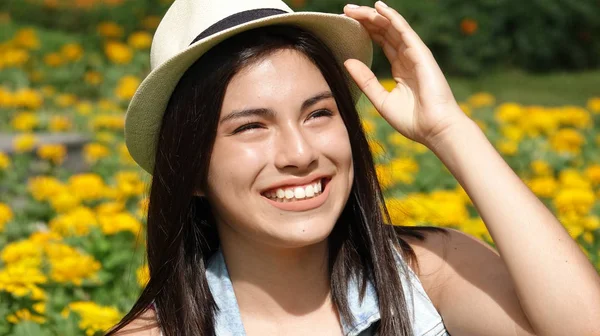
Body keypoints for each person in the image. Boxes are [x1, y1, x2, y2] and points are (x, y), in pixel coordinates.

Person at [108, 0, 600, 335]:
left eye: (318, 113)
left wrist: (450, 130)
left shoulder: (427, 274)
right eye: (251, 127)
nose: (299, 153)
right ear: (192, 171)